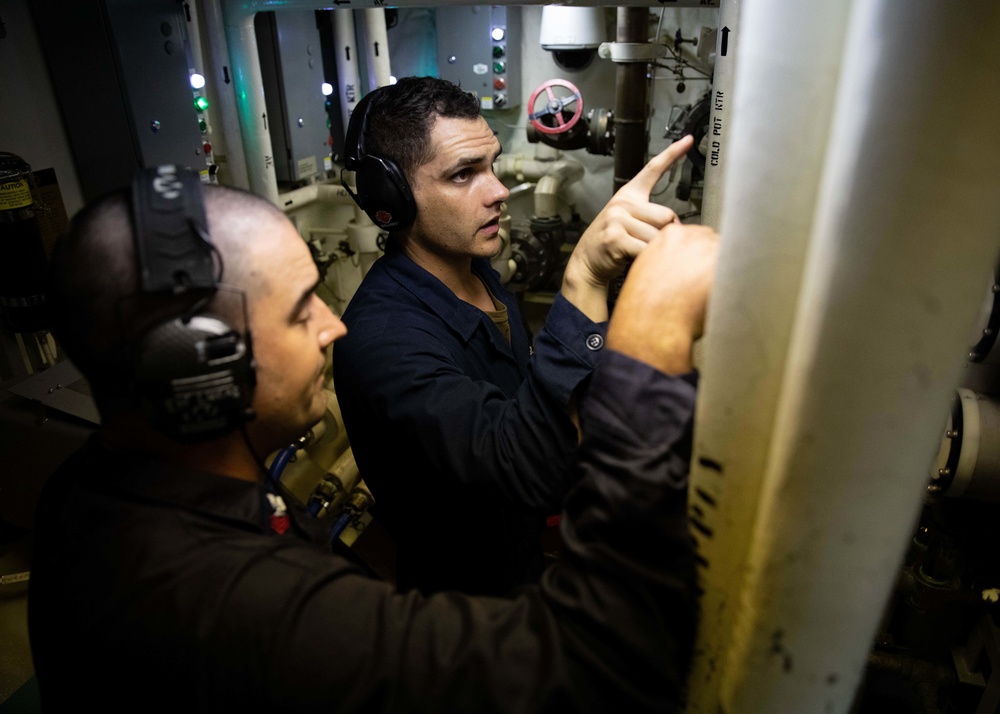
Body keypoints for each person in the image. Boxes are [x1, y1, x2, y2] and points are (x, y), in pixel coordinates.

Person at [27, 168, 719, 712]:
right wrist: (648, 347)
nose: (334, 328)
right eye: (303, 311)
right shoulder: (227, 606)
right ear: (194, 368)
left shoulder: (100, 486)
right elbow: (601, 670)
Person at [334, 76, 696, 595]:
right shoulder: (383, 341)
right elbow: (521, 469)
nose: (499, 190)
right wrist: (584, 279)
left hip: (524, 560)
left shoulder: (482, 279)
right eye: (463, 175)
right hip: (462, 607)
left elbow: (534, 404)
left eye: (492, 165)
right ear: (389, 195)